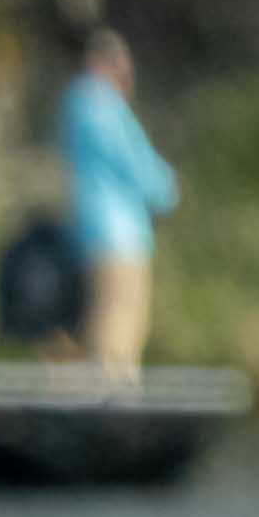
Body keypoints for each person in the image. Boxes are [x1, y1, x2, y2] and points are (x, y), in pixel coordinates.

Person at [54, 27, 183, 380]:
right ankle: (114, 400)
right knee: (121, 319)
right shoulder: (100, 106)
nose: (126, 80)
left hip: (89, 229)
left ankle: (103, 391)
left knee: (100, 314)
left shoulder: (75, 105)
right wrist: (169, 189)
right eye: (121, 70)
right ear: (103, 65)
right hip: (118, 234)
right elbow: (137, 165)